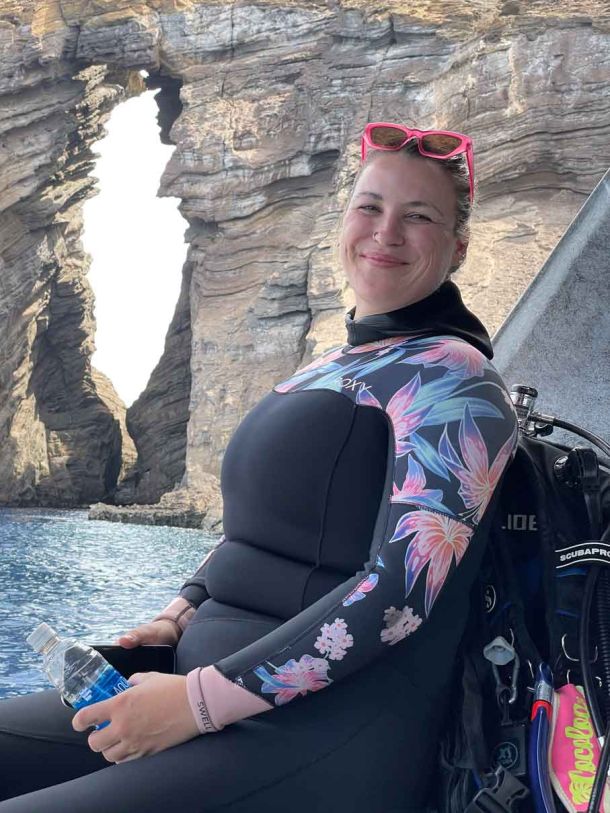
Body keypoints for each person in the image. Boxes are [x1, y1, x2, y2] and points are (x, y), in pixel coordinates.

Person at [0, 123, 517, 812]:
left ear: (458, 247)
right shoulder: (341, 364)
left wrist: (195, 703)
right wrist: (179, 615)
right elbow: (253, 529)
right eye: (370, 206)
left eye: (418, 216)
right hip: (196, 685)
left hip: (310, 734)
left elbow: (398, 591)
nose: (385, 231)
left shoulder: (454, 378)